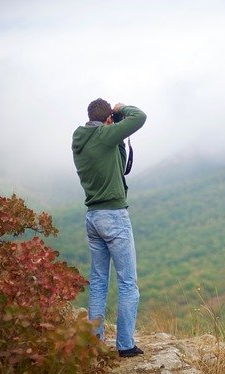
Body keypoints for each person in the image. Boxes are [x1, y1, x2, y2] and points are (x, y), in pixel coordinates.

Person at [72, 98, 147, 357]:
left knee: (99, 282)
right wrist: (121, 111)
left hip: (92, 217)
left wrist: (112, 125)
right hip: (114, 216)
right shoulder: (104, 135)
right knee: (128, 283)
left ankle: (96, 342)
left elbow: (117, 164)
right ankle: (125, 345)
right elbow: (139, 116)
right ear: (106, 120)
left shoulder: (80, 139)